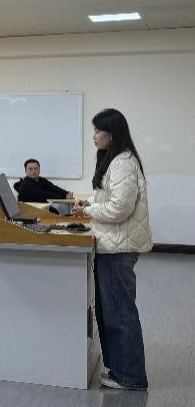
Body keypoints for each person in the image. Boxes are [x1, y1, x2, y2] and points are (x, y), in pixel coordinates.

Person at [71, 109, 152, 391]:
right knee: (111, 311)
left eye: (98, 131)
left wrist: (88, 211)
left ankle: (130, 376)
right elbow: (112, 198)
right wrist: (90, 204)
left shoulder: (123, 163)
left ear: (112, 134)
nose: (94, 136)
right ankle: (120, 370)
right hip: (112, 244)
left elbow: (120, 208)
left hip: (118, 247)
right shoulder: (115, 160)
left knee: (119, 312)